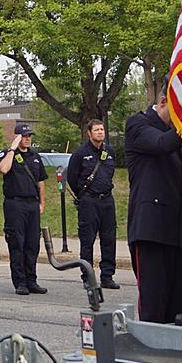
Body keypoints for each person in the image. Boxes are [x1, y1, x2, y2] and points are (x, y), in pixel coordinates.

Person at [125, 79, 182, 323]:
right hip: (153, 231)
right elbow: (161, 144)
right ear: (164, 102)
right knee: (154, 310)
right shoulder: (138, 124)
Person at [66, 120, 120, 290]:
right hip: (89, 201)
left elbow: (110, 173)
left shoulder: (109, 151)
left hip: (107, 200)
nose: (100, 132)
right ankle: (88, 277)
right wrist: (84, 194)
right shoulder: (81, 153)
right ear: (89, 133)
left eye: (102, 129)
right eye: (96, 130)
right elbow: (72, 177)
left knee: (109, 239)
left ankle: (107, 276)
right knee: (87, 241)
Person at [0, 124, 47, 296]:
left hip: (32, 204)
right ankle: (20, 282)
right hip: (15, 204)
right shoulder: (7, 154)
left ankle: (31, 280)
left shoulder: (35, 157)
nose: (27, 139)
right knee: (17, 243)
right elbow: (3, 169)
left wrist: (42, 203)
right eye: (24, 136)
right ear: (17, 137)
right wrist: (12, 148)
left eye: (29, 136)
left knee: (32, 244)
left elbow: (41, 181)